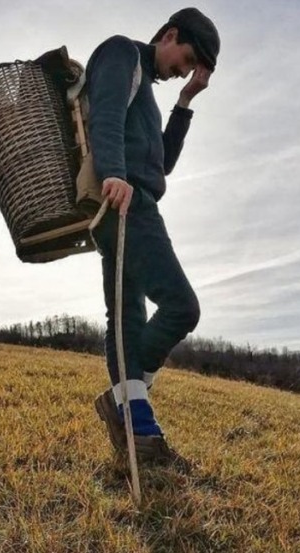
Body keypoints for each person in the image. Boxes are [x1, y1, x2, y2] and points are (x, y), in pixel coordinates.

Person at [87, 8, 220, 465]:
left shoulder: (147, 86)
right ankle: (126, 399)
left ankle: (136, 428)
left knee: (124, 316)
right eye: (186, 59)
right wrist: (114, 173)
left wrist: (184, 102)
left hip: (130, 198)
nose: (183, 69)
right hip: (128, 201)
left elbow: (162, 163)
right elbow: (103, 111)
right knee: (182, 307)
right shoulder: (123, 52)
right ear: (169, 35)